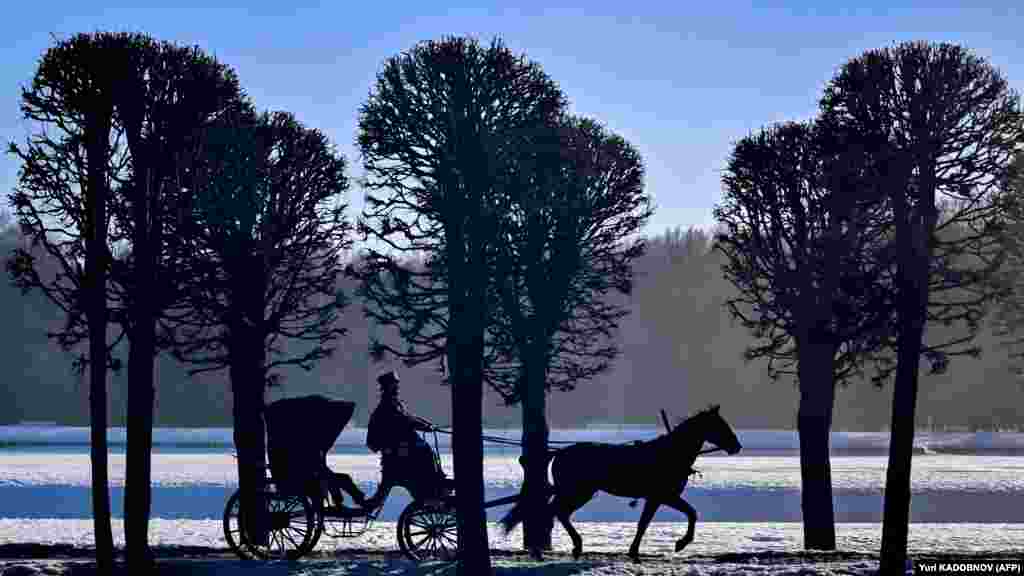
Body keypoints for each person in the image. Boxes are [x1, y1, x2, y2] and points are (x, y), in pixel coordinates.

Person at [364, 370, 447, 508]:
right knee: (425, 451)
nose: (397, 386)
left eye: (396, 384)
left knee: (426, 450)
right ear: (387, 386)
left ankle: (437, 483)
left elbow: (409, 417)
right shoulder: (388, 404)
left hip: (402, 446)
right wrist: (425, 427)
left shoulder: (395, 402)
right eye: (394, 384)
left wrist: (428, 425)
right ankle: (434, 488)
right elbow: (405, 420)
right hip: (398, 450)